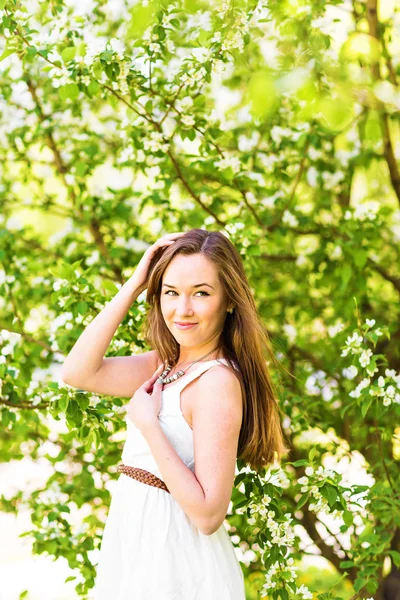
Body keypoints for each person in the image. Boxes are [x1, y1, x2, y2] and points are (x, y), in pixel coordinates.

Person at [61, 228, 288, 599]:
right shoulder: (164, 365)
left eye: (201, 293)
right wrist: (135, 284)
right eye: (170, 292)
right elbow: (77, 372)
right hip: (136, 546)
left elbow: (208, 516)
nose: (182, 310)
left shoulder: (216, 382)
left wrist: (150, 425)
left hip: (176, 563)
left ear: (229, 300)